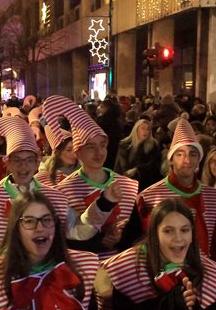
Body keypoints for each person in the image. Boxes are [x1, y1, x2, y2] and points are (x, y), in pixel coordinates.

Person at [0, 117, 111, 272]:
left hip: (43, 285)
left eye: (29, 160)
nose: (23, 166)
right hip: (0, 285)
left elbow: (78, 230)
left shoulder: (55, 198)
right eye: (17, 160)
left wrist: (104, 203)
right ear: (7, 162)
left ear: (38, 161)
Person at [44, 95, 139, 260]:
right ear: (78, 151)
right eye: (91, 147)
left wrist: (119, 239)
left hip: (121, 269)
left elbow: (137, 234)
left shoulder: (127, 185)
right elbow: (65, 239)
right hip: (83, 269)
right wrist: (100, 242)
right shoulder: (63, 191)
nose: (99, 153)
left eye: (103, 146)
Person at [123, 119, 216, 265]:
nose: (187, 160)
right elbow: (143, 244)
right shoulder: (150, 197)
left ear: (199, 159)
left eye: (192, 154)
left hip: (204, 272)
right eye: (180, 154)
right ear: (171, 159)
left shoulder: (213, 198)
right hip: (164, 274)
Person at [114, 119, 161, 192]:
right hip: (124, 183)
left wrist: (137, 169)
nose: (145, 131)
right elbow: (118, 166)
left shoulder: (152, 146)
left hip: (142, 185)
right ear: (136, 129)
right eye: (143, 128)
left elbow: (154, 165)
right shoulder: (124, 145)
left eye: (148, 129)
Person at [34, 123, 76, 188]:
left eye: (75, 148)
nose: (74, 153)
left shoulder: (83, 170)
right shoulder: (43, 177)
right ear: (58, 153)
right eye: (69, 150)